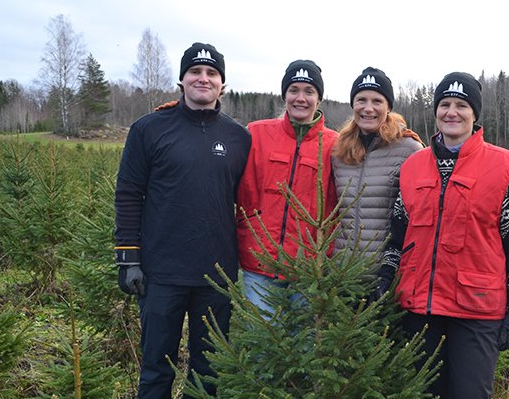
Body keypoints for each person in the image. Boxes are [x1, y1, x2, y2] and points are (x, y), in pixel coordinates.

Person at [375, 72, 509, 398]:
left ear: (474, 114)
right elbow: (397, 238)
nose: (452, 112)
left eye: (461, 105)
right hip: (419, 310)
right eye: (445, 104)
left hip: (476, 313)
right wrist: (385, 278)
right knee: (425, 393)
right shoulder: (413, 167)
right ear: (435, 111)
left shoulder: (505, 169)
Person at [114, 42, 251, 398]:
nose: (203, 79)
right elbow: (129, 193)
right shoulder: (149, 129)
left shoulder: (238, 137)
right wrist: (128, 258)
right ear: (182, 79)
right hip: (161, 274)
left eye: (211, 73)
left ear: (222, 83)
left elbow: (249, 201)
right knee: (157, 367)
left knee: (208, 370)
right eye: (195, 71)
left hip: (216, 277)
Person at [236, 59, 338, 314]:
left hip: (308, 267)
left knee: (303, 346)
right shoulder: (255, 134)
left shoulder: (335, 145)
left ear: (319, 99)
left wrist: (404, 135)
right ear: (284, 95)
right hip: (259, 262)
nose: (300, 98)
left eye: (309, 91)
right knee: (263, 343)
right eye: (294, 90)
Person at [332, 66, 423, 262]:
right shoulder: (338, 152)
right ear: (353, 104)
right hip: (340, 274)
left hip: (386, 275)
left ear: (388, 107)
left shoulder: (409, 149)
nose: (368, 108)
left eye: (377, 101)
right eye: (361, 100)